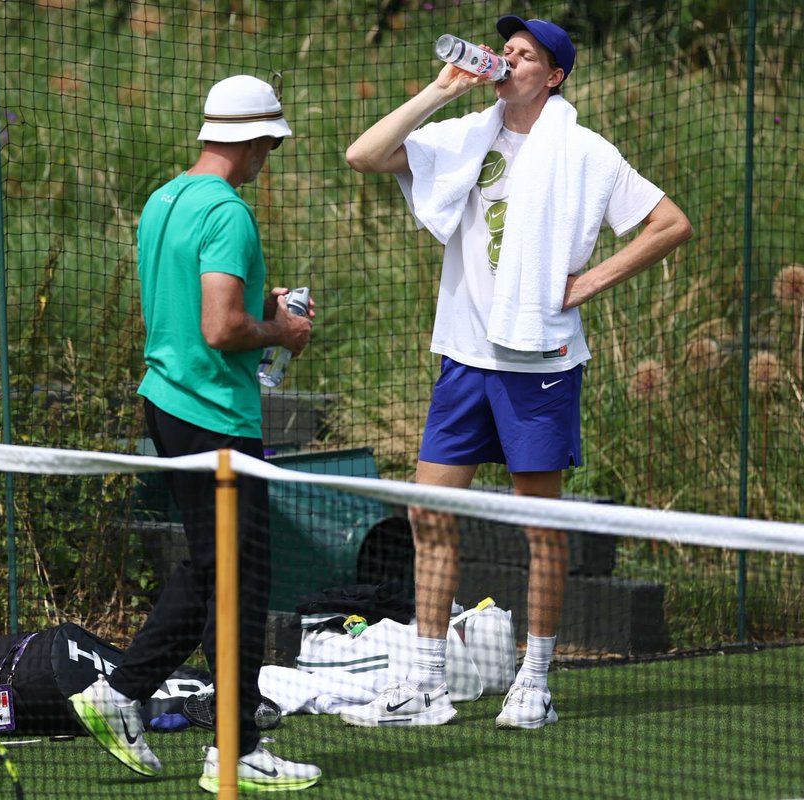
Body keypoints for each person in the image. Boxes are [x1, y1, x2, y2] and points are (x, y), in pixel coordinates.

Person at [340, 17, 692, 730]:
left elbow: (671, 224)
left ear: (554, 76)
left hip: (540, 363)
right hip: (464, 359)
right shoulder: (466, 134)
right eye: (505, 50)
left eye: (525, 54)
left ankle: (535, 682)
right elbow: (363, 154)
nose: (507, 60)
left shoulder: (586, 152)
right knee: (428, 513)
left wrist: (583, 286)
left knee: (541, 528)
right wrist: (441, 90)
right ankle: (427, 682)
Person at [68, 75, 320, 793]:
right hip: (215, 415)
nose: (271, 153)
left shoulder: (164, 199)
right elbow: (222, 327)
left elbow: (189, 298)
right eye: (271, 142)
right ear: (256, 141)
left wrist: (259, 299)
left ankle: (179, 718)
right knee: (241, 574)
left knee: (220, 569)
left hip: (170, 403)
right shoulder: (231, 214)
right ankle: (190, 728)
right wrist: (284, 330)